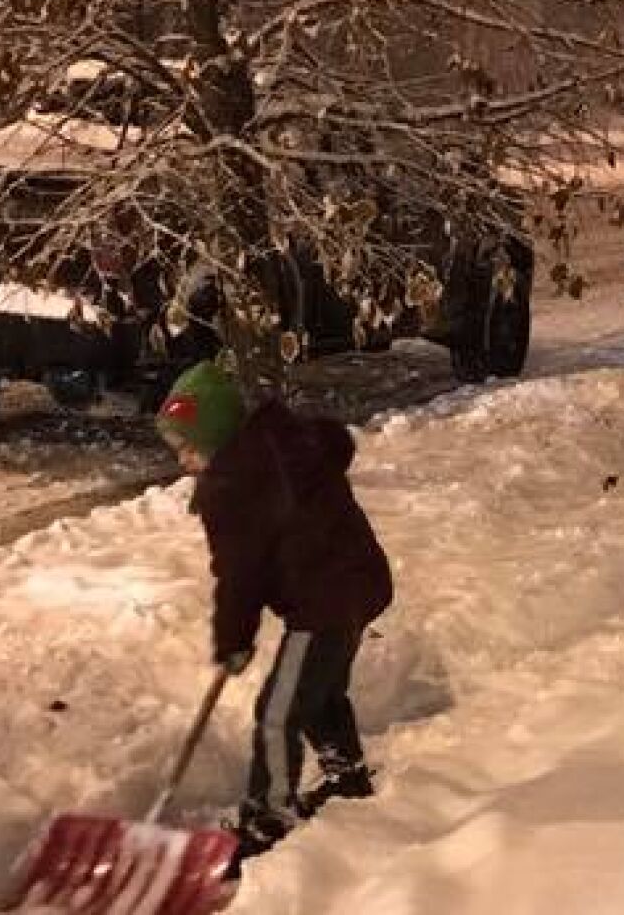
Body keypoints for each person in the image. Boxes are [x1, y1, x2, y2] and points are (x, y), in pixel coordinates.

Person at [154, 361, 394, 879]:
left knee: (277, 712)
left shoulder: (234, 486)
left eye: (188, 447)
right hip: (357, 584)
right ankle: (346, 772)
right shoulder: (279, 448)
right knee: (317, 693)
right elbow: (266, 557)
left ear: (216, 438)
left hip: (324, 600)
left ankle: (271, 815)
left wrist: (234, 640)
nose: (183, 460)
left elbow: (240, 577)